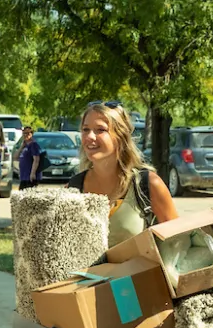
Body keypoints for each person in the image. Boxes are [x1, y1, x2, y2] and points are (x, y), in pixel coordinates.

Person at [68, 101, 177, 246]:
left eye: (100, 130)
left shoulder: (147, 185)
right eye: (85, 129)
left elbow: (178, 243)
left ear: (120, 136)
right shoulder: (73, 189)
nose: (90, 137)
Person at [18, 125, 41, 191]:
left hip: (30, 176)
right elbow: (15, 157)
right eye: (24, 133)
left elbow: (36, 159)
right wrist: (21, 147)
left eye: (28, 133)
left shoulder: (33, 145)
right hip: (24, 176)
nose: (26, 135)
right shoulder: (25, 145)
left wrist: (32, 173)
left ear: (32, 134)